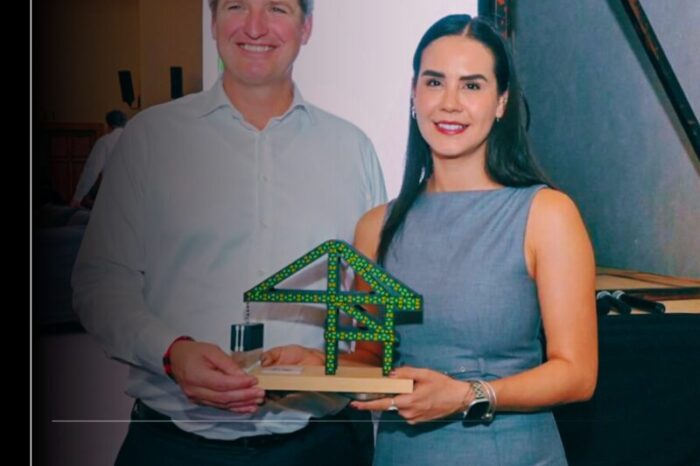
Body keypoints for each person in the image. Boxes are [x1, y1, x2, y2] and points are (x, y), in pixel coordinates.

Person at [71, 0, 386, 464]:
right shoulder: (150, 138)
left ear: (307, 27)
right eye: (237, 5)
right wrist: (171, 352)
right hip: (174, 446)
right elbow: (100, 283)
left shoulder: (353, 150)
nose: (255, 27)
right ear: (213, 22)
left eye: (277, 8)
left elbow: (373, 305)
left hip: (323, 444)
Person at [345, 14, 597, 465]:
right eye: (434, 82)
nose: (450, 103)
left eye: (472, 86)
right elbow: (370, 359)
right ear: (414, 94)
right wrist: (301, 368)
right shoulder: (375, 228)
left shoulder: (546, 214)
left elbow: (577, 374)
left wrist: (468, 395)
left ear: (501, 102)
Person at [69, 110, 127, 208]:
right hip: (134, 197)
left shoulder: (105, 142)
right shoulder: (135, 141)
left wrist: (77, 197)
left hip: (112, 195)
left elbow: (91, 171)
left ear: (108, 126)